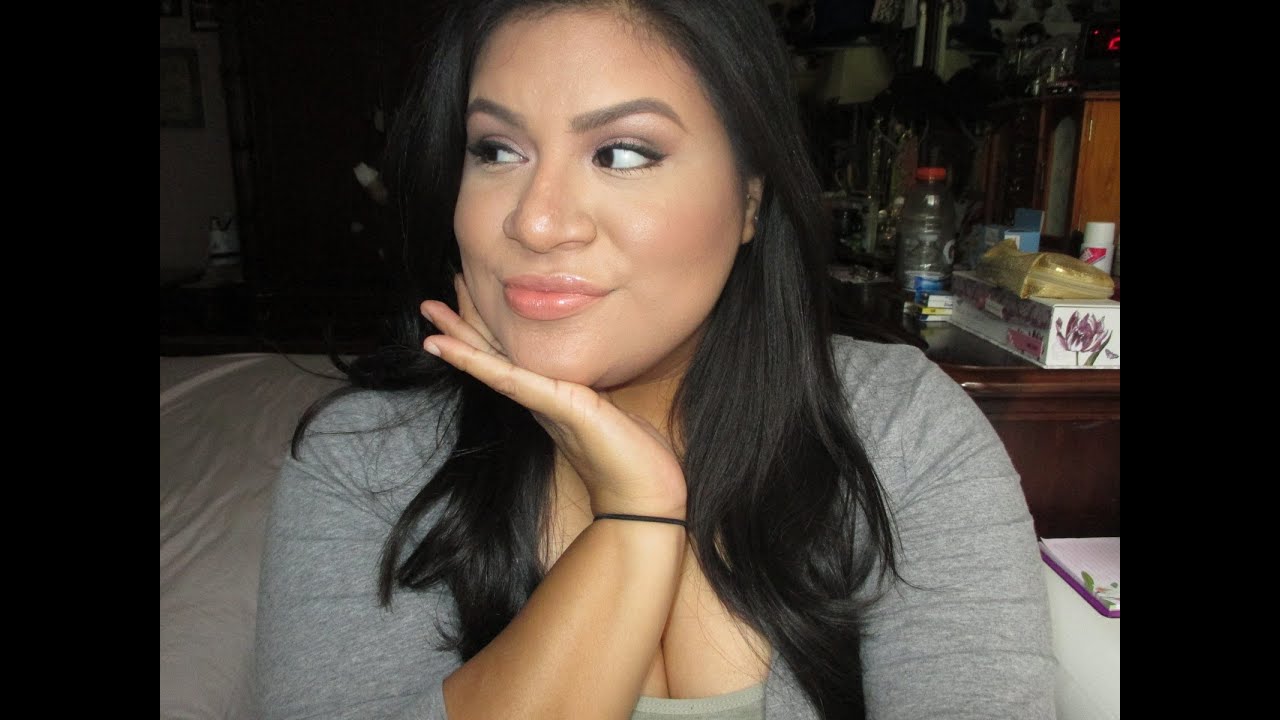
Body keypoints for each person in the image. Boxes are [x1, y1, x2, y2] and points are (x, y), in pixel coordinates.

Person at [253, 1, 1057, 718]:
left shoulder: (901, 431)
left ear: (750, 196)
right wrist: (634, 518)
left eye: (623, 154)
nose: (536, 222)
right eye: (496, 150)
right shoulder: (366, 459)